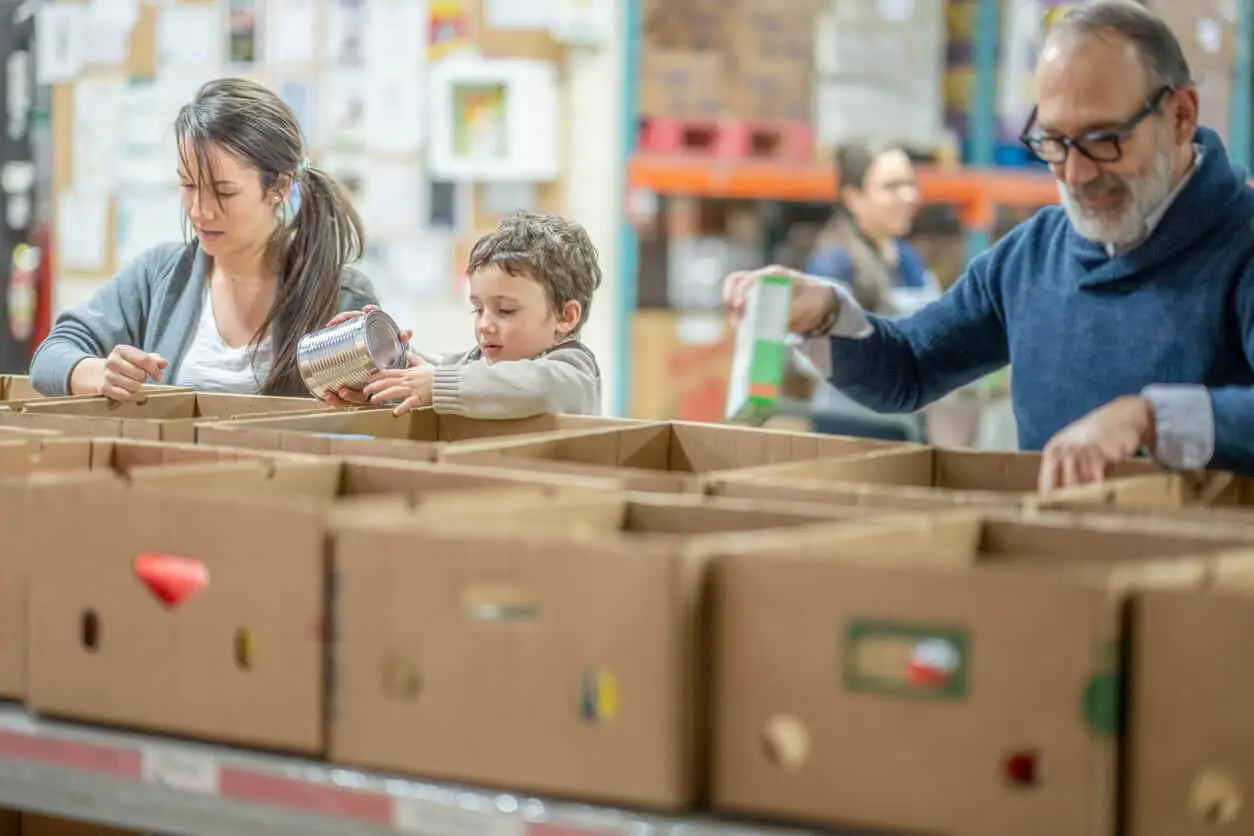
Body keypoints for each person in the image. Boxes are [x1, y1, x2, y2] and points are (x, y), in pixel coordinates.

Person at [723, 0, 1254, 490]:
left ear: (1181, 116)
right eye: (1054, 142)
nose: (1076, 173)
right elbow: (908, 368)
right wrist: (824, 316)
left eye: (1102, 140)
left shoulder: (1241, 245)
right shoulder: (1033, 257)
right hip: (1057, 552)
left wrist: (1150, 419)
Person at [29, 78, 391, 400]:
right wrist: (96, 373)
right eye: (188, 185)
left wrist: (392, 383)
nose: (200, 210)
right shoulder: (161, 276)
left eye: (224, 192)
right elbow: (51, 354)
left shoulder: (340, 294)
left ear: (279, 187)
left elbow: (389, 397)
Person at [335, 211, 603, 418]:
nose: (484, 325)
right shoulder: (476, 365)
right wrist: (386, 354)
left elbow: (537, 387)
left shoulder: (574, 372)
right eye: (478, 309)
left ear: (566, 317)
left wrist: (437, 385)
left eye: (506, 310)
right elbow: (431, 373)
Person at [807, 143, 939, 317]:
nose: (910, 197)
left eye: (911, 184)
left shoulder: (906, 256)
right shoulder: (834, 265)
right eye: (892, 186)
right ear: (853, 197)